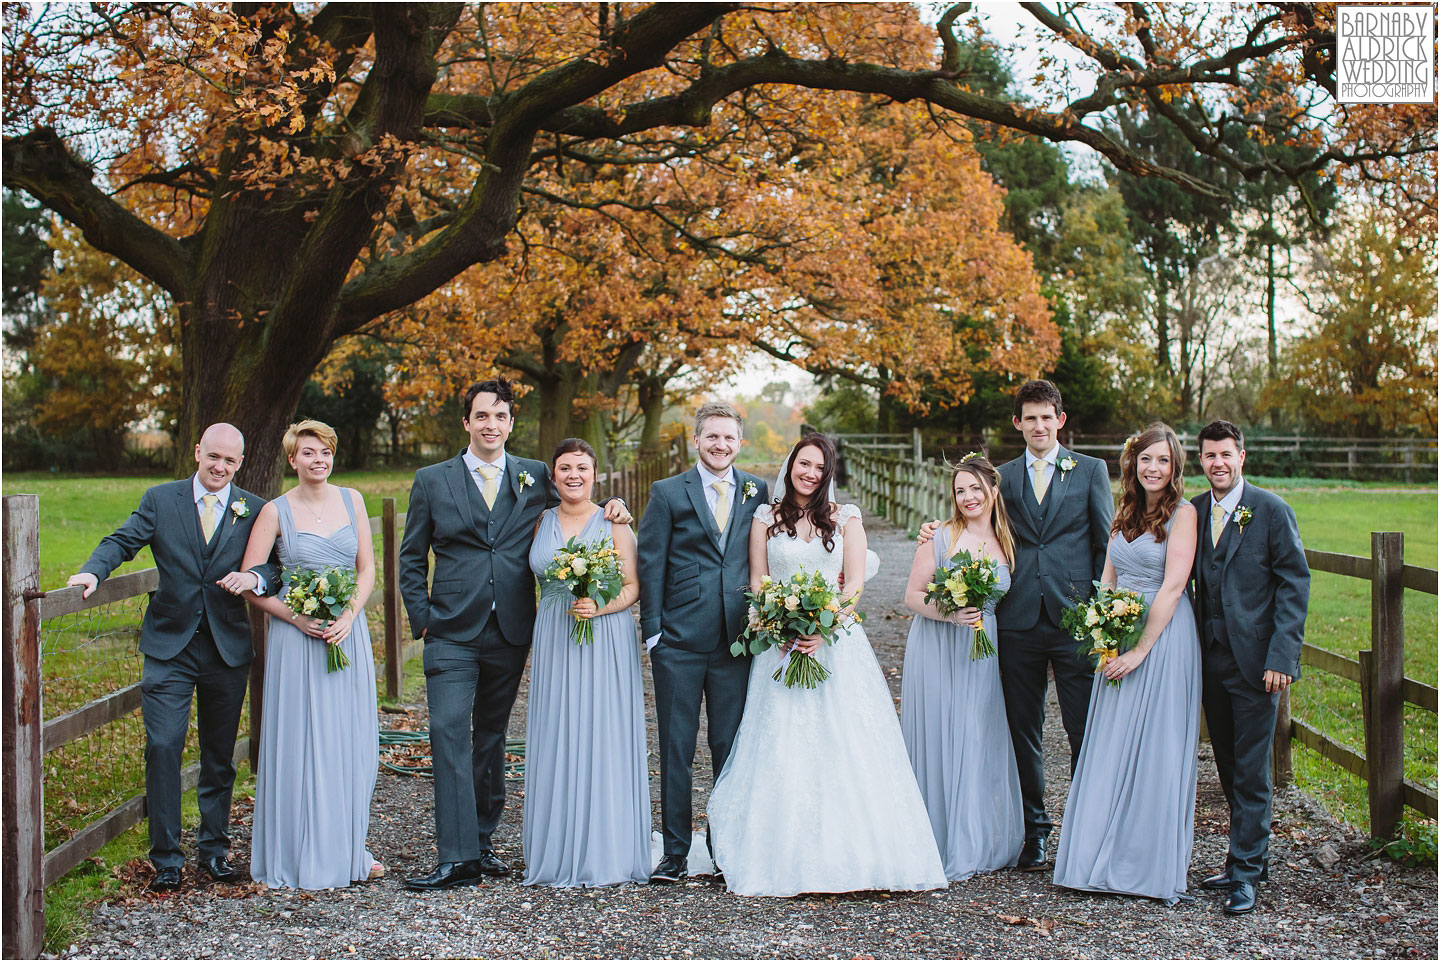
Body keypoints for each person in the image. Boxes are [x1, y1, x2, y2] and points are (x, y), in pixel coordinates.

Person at [398, 379, 631, 891]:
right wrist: (425, 619)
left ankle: (482, 842)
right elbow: (411, 558)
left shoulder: (533, 475)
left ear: (510, 423)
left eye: (500, 416)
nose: (491, 425)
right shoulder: (432, 480)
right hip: (451, 630)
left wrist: (615, 506)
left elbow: (576, 503)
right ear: (467, 422)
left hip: (510, 631)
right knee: (448, 731)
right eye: (482, 415)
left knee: (492, 737)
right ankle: (456, 857)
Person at [706, 434, 946, 897]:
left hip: (835, 643)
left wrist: (824, 623)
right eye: (804, 463)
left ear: (827, 473)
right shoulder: (765, 517)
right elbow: (759, 580)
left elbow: (855, 583)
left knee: (848, 742)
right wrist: (778, 623)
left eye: (819, 467)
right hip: (780, 643)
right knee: (781, 742)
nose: (810, 473)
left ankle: (855, 853)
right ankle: (782, 853)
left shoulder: (846, 518)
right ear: (791, 465)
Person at [67, 423, 277, 892]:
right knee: (163, 746)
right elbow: (122, 540)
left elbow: (274, 566)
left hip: (226, 648)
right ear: (197, 451)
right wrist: (92, 571)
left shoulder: (256, 509)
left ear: (240, 464)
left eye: (230, 461)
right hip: (169, 646)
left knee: (219, 755)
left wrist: (256, 580)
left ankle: (214, 851)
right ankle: (166, 858)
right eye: (213, 456)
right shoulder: (161, 500)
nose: (220, 467)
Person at [922, 380, 1114, 870]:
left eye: (1047, 417)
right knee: (1021, 730)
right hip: (1017, 621)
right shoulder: (1001, 476)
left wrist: (1101, 614)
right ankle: (1036, 831)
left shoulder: (1091, 471)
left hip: (1074, 620)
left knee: (1082, 728)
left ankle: (1089, 833)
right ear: (1017, 424)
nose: (1039, 425)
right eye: (1029, 418)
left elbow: (1103, 546)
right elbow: (974, 522)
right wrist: (933, 531)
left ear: (1060, 420)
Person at [1053, 422, 1201, 905]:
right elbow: (1107, 579)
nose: (1153, 468)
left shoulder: (1185, 514)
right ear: (1132, 465)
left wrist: (1140, 650)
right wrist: (1104, 637)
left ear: (1175, 466)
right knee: (1111, 741)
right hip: (1117, 635)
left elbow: (1173, 586)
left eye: (1162, 460)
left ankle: (1142, 863)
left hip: (1162, 638)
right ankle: (1097, 854)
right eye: (1145, 459)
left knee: (1154, 744)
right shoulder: (1125, 512)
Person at [230, 420, 381, 889]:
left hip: (345, 636)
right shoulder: (275, 511)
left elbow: (367, 569)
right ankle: (297, 847)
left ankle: (348, 844)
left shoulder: (352, 500)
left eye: (326, 452)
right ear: (292, 460)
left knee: (349, 741)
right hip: (296, 640)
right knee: (301, 741)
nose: (319, 460)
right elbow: (251, 582)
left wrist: (351, 616)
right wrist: (295, 618)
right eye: (309, 453)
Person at [636, 401, 768, 883]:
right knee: (676, 745)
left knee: (728, 745)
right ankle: (675, 850)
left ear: (740, 442)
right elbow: (650, 562)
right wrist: (654, 632)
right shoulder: (669, 492)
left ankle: (723, 846)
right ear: (697, 440)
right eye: (712, 437)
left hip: (737, 639)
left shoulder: (758, 490)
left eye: (729, 438)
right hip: (679, 640)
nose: (721, 445)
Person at [1190, 419, 1309, 916]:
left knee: (1253, 771)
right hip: (1209, 658)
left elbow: (1294, 585)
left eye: (1226, 454)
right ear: (1201, 460)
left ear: (1242, 457)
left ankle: (1245, 873)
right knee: (1226, 763)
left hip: (1259, 664)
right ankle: (1248, 859)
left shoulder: (1271, 510)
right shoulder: (1193, 511)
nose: (1218, 462)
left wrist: (1282, 657)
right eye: (1209, 455)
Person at [522, 438, 648, 887]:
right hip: (555, 634)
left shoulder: (614, 522)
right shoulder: (538, 522)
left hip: (604, 636)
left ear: (596, 473)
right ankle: (556, 849)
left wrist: (600, 608)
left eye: (581, 467)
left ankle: (604, 847)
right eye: (564, 468)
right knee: (558, 732)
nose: (573, 475)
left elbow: (633, 587)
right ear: (551, 476)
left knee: (602, 732)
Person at [900, 454, 1023, 881]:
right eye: (960, 490)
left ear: (994, 489)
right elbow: (912, 597)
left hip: (981, 651)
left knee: (975, 734)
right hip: (938, 643)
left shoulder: (1008, 540)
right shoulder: (942, 536)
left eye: (975, 488)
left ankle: (972, 838)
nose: (968, 497)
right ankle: (934, 839)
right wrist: (950, 614)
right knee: (940, 733)